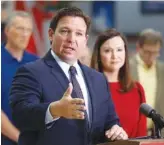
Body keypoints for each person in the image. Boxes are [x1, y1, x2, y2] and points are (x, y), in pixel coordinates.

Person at [9, 7, 128, 145]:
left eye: (78, 33)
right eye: (65, 31)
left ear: (85, 40)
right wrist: (54, 110)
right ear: (51, 34)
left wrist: (115, 130)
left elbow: (110, 121)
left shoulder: (98, 79)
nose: (71, 39)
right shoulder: (30, 72)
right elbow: (20, 115)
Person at [91, 28, 147, 138]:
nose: (114, 56)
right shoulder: (89, 88)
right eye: (107, 50)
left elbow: (141, 134)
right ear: (98, 55)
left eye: (119, 50)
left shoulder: (137, 89)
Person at [130, 28, 164, 137]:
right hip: (135, 133)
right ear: (139, 48)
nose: (151, 56)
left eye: (155, 52)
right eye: (148, 52)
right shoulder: (127, 68)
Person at [1, 11, 38, 145]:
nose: (24, 34)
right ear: (7, 30)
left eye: (28, 30)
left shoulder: (36, 63)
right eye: (20, 28)